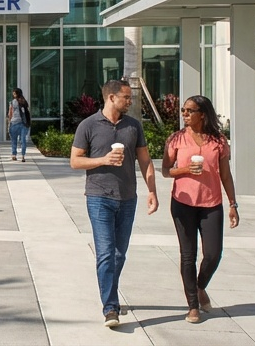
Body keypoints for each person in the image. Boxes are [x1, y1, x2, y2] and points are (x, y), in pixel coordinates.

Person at [70, 79, 158, 329]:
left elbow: (145, 161)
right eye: (126, 98)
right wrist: (103, 160)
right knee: (106, 254)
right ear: (111, 98)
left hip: (128, 199)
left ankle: (109, 288)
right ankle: (110, 307)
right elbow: (75, 162)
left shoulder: (133, 126)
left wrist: (152, 190)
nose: (130, 102)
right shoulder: (88, 125)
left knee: (119, 255)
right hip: (99, 198)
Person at [161, 95, 238, 324]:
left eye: (189, 110)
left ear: (202, 114)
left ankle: (199, 286)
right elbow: (165, 170)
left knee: (213, 254)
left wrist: (233, 204)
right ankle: (193, 306)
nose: (184, 114)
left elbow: (225, 175)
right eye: (183, 110)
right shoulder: (176, 139)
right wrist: (184, 169)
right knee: (188, 256)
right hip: (182, 203)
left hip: (211, 204)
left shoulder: (219, 141)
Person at [8, 87, 31, 162]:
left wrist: (9, 122)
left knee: (14, 140)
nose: (13, 94)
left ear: (17, 94)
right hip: (24, 124)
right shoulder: (24, 102)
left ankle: (14, 155)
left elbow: (10, 113)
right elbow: (27, 112)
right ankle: (23, 156)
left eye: (14, 93)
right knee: (23, 140)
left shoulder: (13, 101)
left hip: (14, 123)